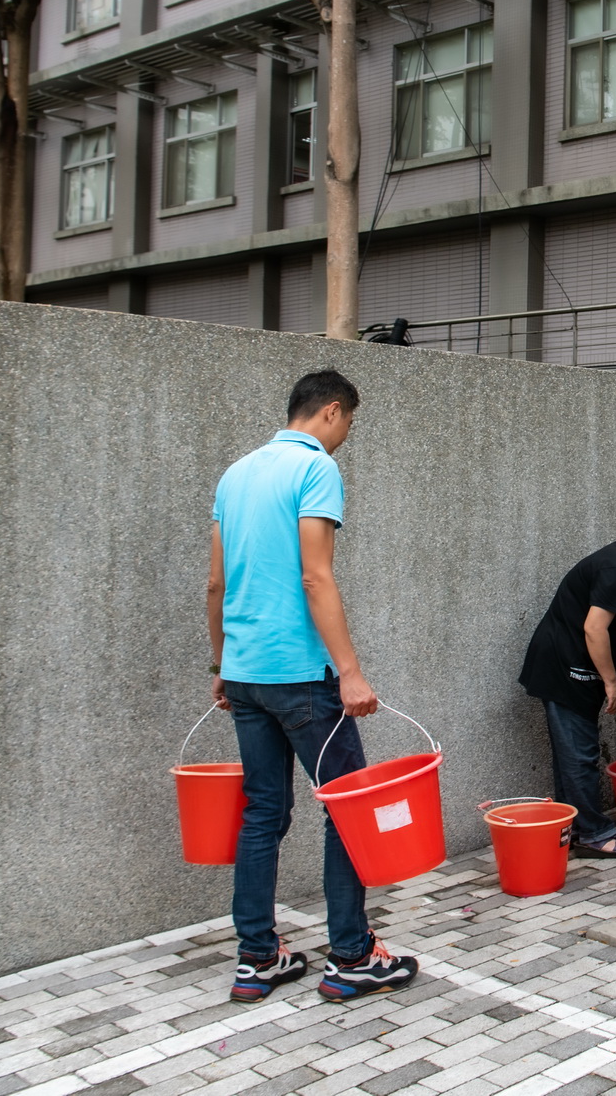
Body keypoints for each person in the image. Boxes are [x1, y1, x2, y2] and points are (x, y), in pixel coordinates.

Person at [208, 370, 418, 1004]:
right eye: (349, 423)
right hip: (301, 677)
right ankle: (352, 957)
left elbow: (215, 584)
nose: (346, 436)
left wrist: (222, 664)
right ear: (331, 412)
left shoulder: (235, 474)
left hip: (245, 674)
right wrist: (350, 672)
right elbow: (316, 577)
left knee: (263, 814)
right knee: (347, 815)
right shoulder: (316, 468)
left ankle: (257, 958)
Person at [516, 518, 616, 858]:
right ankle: (594, 833)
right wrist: (611, 682)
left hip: (568, 667)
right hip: (565, 670)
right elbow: (594, 629)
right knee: (579, 754)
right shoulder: (615, 572)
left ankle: (574, 827)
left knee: (571, 755)